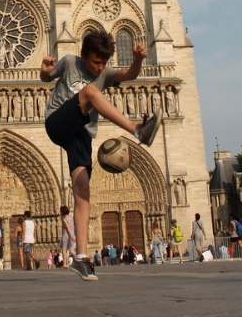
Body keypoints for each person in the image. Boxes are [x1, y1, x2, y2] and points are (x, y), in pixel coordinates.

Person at [41, 30, 161, 281]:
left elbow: (129, 75)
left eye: (104, 63)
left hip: (81, 135)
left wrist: (138, 59)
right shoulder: (70, 61)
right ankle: (138, 130)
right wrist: (45, 68)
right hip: (58, 122)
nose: (100, 67)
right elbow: (46, 77)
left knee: (82, 192)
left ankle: (81, 259)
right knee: (91, 93)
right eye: (96, 62)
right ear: (84, 56)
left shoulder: (104, 73)